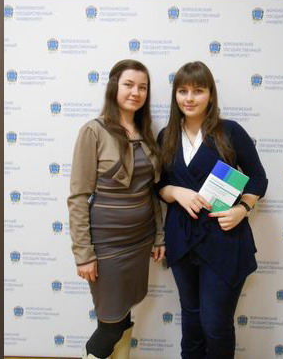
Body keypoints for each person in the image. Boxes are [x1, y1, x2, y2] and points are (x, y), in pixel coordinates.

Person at [156, 61, 268, 359]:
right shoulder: (167, 136)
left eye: (198, 91)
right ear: (175, 95)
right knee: (191, 321)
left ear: (210, 94)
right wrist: (175, 191)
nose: (189, 98)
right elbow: (159, 186)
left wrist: (243, 208)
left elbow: (258, 178)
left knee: (216, 324)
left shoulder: (229, 131)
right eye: (182, 91)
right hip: (182, 240)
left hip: (224, 239)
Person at [68, 59, 165, 359]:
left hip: (140, 241)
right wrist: (84, 254)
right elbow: (78, 197)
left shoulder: (146, 133)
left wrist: (159, 236)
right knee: (109, 324)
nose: (136, 92)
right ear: (114, 87)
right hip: (106, 246)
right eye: (129, 85)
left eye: (143, 87)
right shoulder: (93, 131)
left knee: (123, 316)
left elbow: (151, 192)